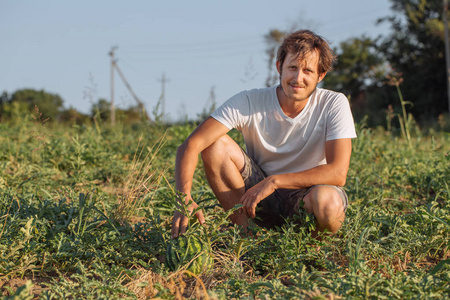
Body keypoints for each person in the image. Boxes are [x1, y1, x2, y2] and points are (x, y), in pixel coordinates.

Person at [171, 29, 357, 239]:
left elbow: (338, 173)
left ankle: (309, 249)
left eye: (308, 71)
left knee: (328, 202)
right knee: (214, 145)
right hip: (256, 198)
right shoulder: (250, 101)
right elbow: (192, 144)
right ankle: (249, 239)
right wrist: (183, 198)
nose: (298, 78)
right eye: (292, 67)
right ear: (279, 67)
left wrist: (274, 181)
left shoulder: (333, 103)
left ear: (320, 75)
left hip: (306, 195)